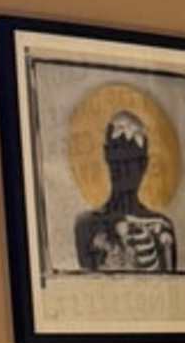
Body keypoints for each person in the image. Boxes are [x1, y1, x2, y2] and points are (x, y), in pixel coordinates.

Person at [73, 111, 178, 273]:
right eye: (117, 160)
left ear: (144, 164)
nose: (122, 170)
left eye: (131, 162)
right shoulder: (86, 226)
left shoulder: (162, 227)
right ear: (107, 156)